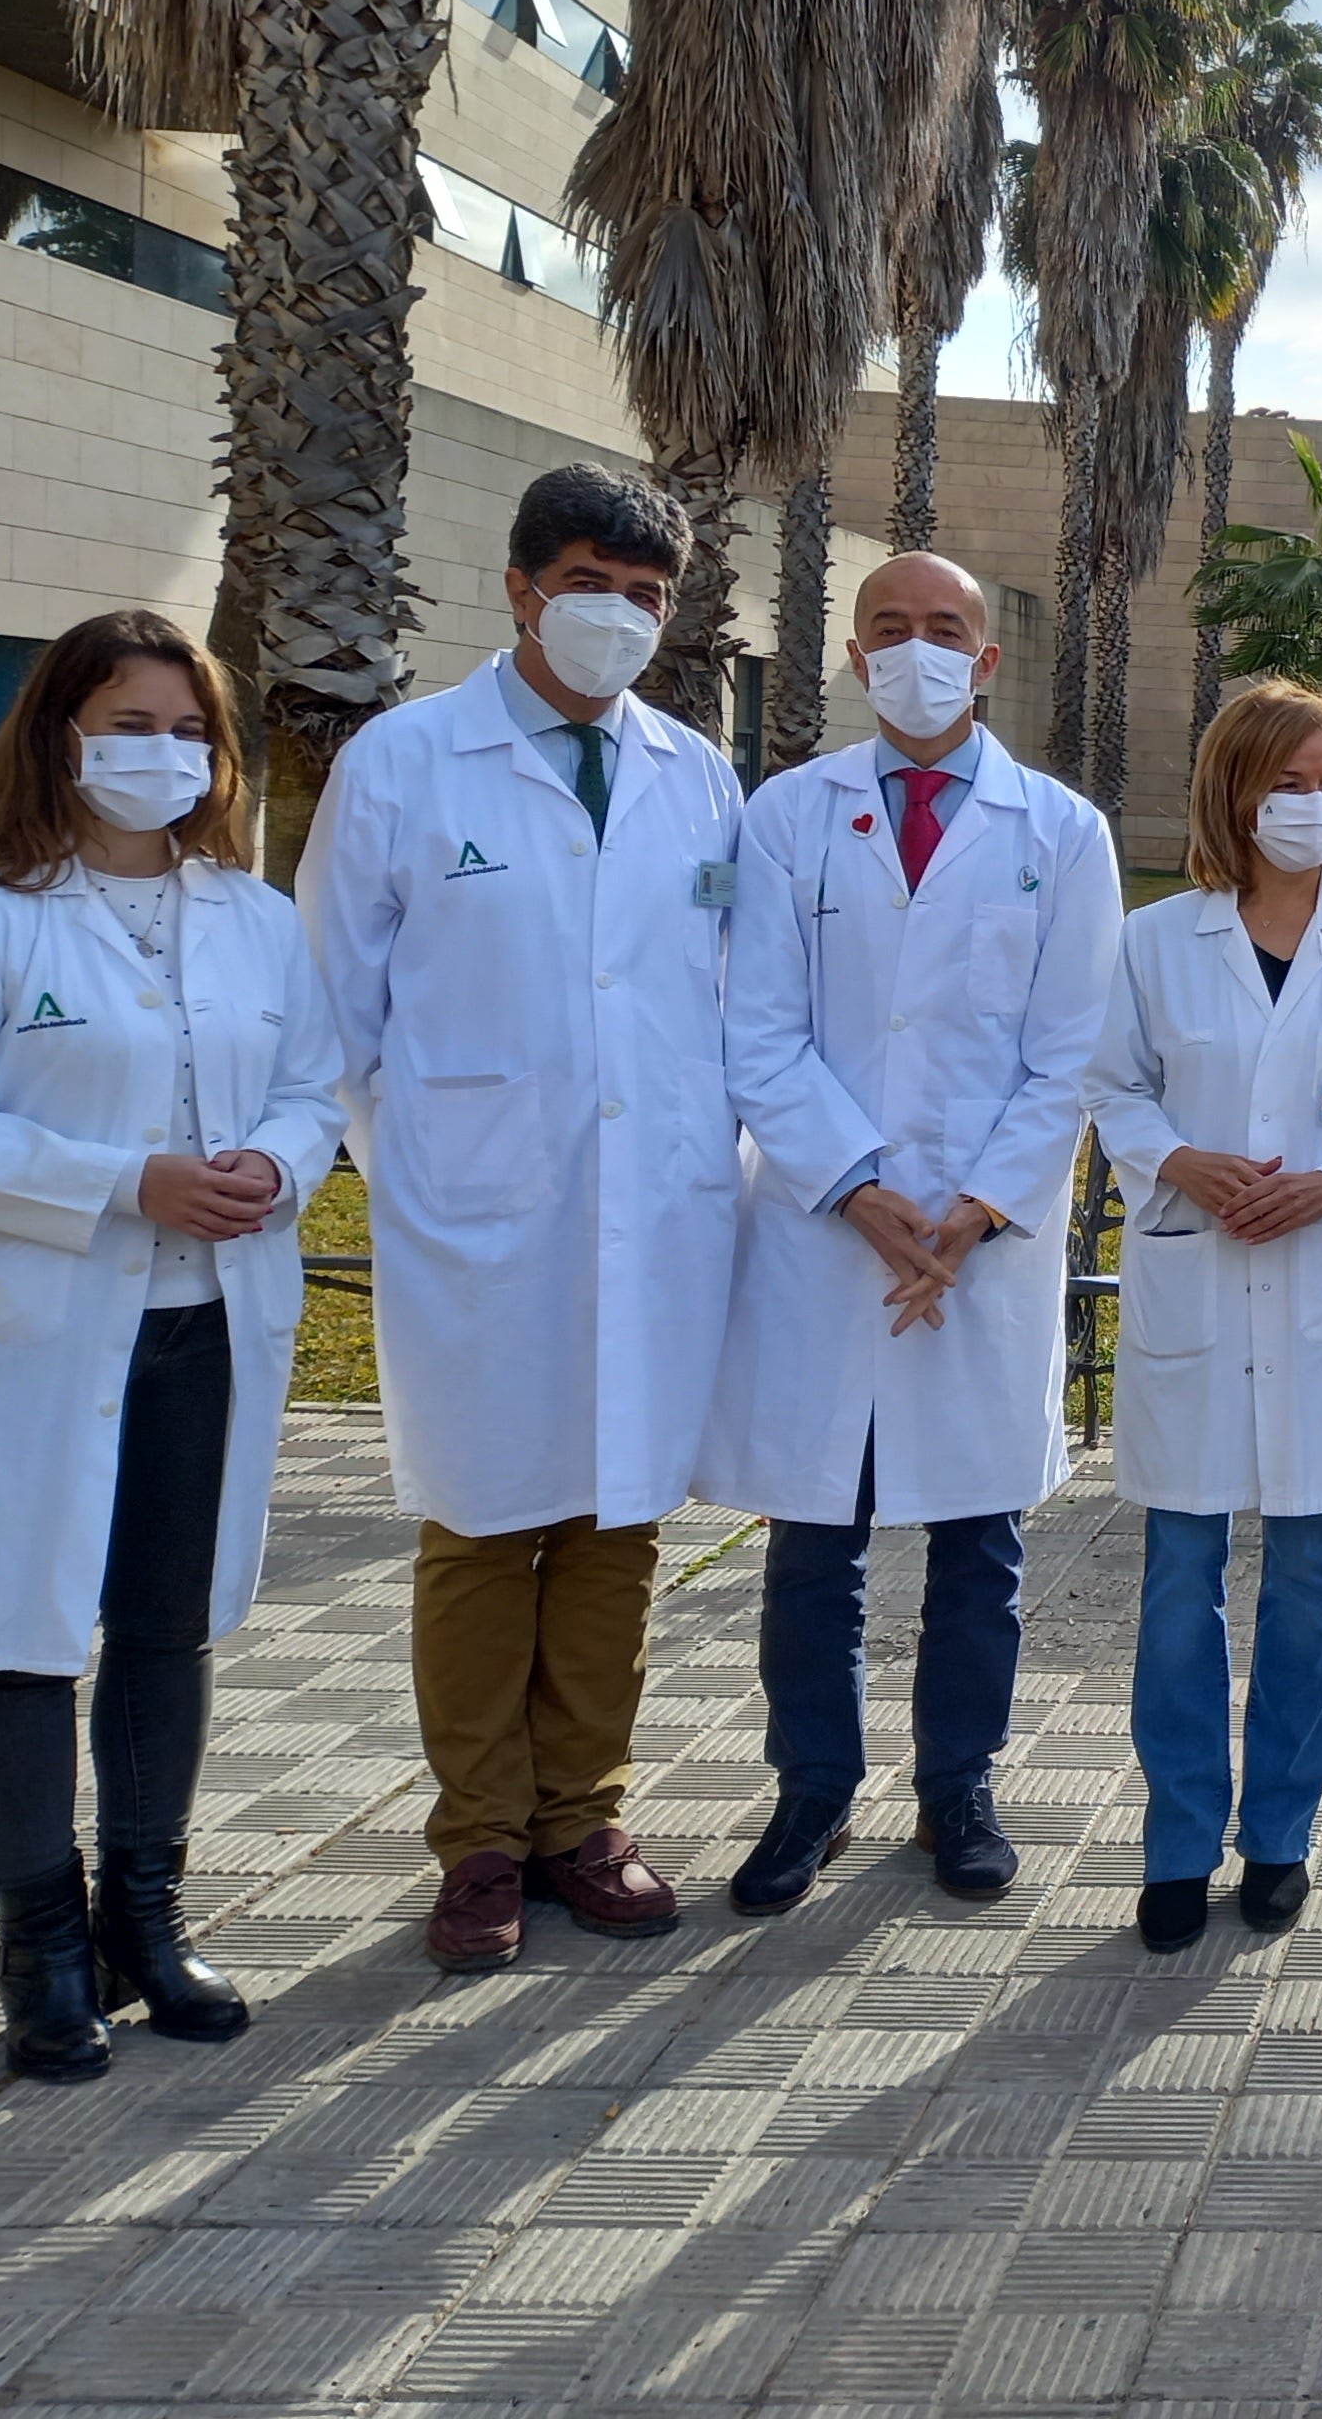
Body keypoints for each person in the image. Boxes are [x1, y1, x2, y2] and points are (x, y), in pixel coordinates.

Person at [302, 463, 744, 1972]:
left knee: (619, 1520)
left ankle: (585, 1820)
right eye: (588, 584)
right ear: (517, 588)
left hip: (656, 1212)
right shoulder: (409, 762)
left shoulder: (695, 774)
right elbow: (335, 1013)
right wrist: (419, 1172)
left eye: (646, 595)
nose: (618, 616)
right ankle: (482, 1837)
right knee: (487, 1522)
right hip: (479, 1216)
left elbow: (714, 999)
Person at [0, 614, 344, 2078]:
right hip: (36, 1334)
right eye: (128, 722)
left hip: (207, 1325)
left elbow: (315, 1084)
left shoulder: (250, 915)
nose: (160, 754)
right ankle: (40, 1946)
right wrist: (129, 1181)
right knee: (16, 1631)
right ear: (59, 731)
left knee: (163, 1629)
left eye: (189, 730)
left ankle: (146, 1918)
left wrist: (277, 1163)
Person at [702, 554, 1122, 1915]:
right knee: (814, 1533)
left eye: (947, 630)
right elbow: (755, 1030)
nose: (920, 651)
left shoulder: (1059, 831)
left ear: (988, 661)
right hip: (834, 1229)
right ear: (853, 656)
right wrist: (861, 1189)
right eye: (892, 630)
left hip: (977, 1238)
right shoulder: (786, 817)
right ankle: (810, 1791)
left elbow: (1071, 1050)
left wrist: (975, 1210)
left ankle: (959, 1788)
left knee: (975, 1537)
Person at [1087, 683, 1322, 1955]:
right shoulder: (1156, 940)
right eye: (1290, 782)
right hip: (1196, 1284)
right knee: (1179, 1577)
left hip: (1320, 1287)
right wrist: (1177, 1161)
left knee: (1305, 1580)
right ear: (1235, 791)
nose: (1314, 806)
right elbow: (1111, 1082)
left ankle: (1282, 1837)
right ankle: (1175, 1841)